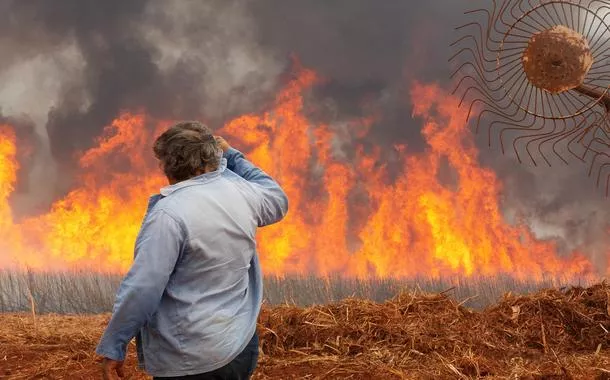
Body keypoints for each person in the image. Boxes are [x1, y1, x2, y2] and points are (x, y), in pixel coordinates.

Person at [95, 121, 288, 380]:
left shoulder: (169, 215)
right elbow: (276, 198)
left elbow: (143, 287)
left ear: (167, 166)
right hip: (239, 348)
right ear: (210, 158)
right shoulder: (242, 193)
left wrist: (115, 344)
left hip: (191, 359)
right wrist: (232, 157)